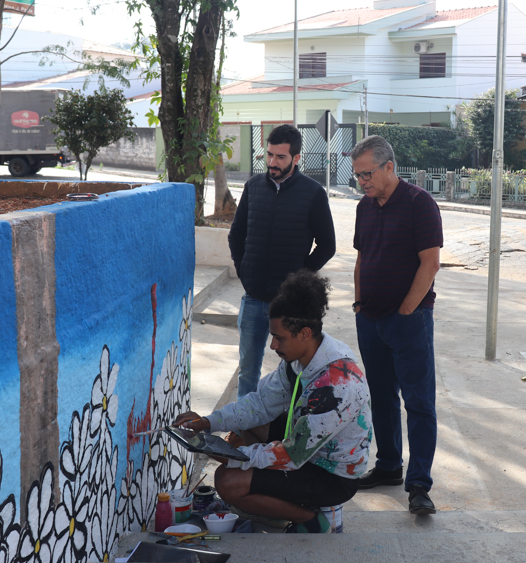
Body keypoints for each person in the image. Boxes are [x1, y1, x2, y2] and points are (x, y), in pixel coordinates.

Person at [173, 269, 372, 533]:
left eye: (280, 338)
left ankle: (313, 520)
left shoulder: (336, 386)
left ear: (305, 333)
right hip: (307, 452)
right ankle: (282, 503)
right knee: (246, 425)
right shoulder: (299, 360)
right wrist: (208, 422)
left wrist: (228, 456)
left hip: (333, 476)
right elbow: (259, 405)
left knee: (228, 481)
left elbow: (291, 455)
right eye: (273, 336)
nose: (273, 346)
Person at [350, 135, 443, 515]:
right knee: (381, 397)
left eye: (367, 174)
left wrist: (406, 311)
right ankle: (388, 465)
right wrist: (359, 304)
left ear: (389, 167)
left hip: (409, 322)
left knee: (418, 402)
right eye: (357, 175)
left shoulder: (420, 203)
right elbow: (361, 259)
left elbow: (430, 263)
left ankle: (419, 484)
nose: (362, 182)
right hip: (370, 320)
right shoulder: (364, 207)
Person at [229, 124, 336, 399]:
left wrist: (298, 279)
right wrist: (244, 272)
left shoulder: (313, 193)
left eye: (281, 157)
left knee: (294, 373)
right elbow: (236, 235)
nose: (273, 162)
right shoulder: (253, 187)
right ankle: (243, 422)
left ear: (296, 158)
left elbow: (327, 245)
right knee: (247, 370)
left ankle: (290, 424)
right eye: (269, 155)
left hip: (290, 305)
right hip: (253, 300)